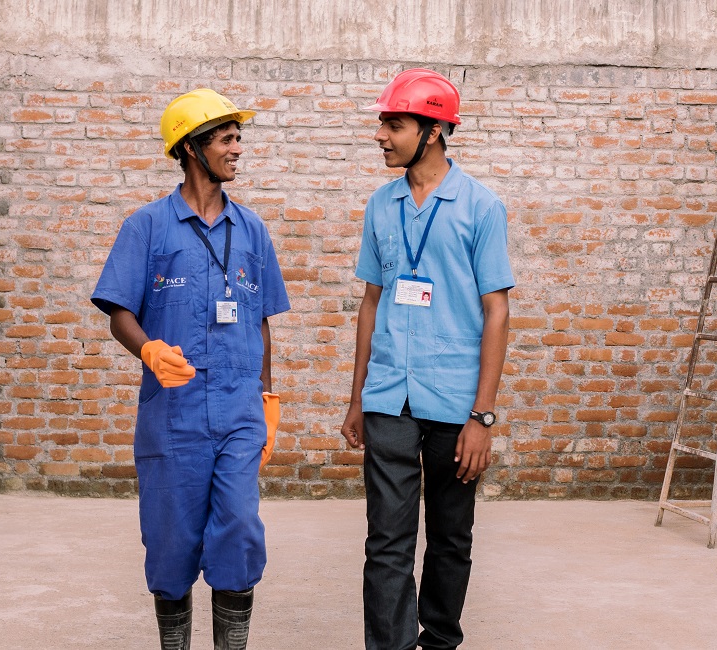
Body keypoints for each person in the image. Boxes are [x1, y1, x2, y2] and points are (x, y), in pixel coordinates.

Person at [91, 88, 290, 650]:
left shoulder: (251, 230)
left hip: (238, 411)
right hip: (172, 417)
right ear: (191, 148)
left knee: (240, 534)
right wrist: (148, 350)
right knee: (171, 541)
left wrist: (267, 397)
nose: (237, 150)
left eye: (238, 138)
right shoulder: (147, 226)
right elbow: (118, 312)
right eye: (226, 139)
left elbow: (260, 321)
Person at [339, 69, 515, 650]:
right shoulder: (380, 206)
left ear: (434, 131)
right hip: (389, 394)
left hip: (455, 399)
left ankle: (439, 640)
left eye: (394, 124)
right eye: (383, 123)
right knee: (385, 541)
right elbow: (371, 302)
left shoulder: (480, 208)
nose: (381, 136)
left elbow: (497, 311)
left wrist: (482, 416)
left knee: (449, 536)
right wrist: (356, 397)